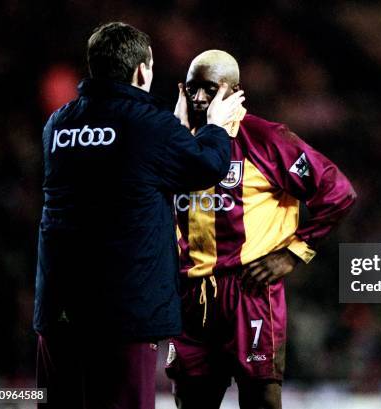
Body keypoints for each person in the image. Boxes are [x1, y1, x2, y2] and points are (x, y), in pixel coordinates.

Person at [34, 23, 244, 409]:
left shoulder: (58, 124)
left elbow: (122, 170)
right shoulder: (150, 125)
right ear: (143, 71)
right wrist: (215, 127)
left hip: (59, 308)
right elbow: (208, 167)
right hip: (124, 313)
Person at [164, 50, 356, 409]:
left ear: (235, 90)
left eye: (210, 88)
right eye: (193, 89)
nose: (201, 98)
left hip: (248, 289)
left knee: (261, 398)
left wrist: (294, 252)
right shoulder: (176, 142)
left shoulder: (266, 139)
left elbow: (338, 192)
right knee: (189, 400)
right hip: (190, 295)